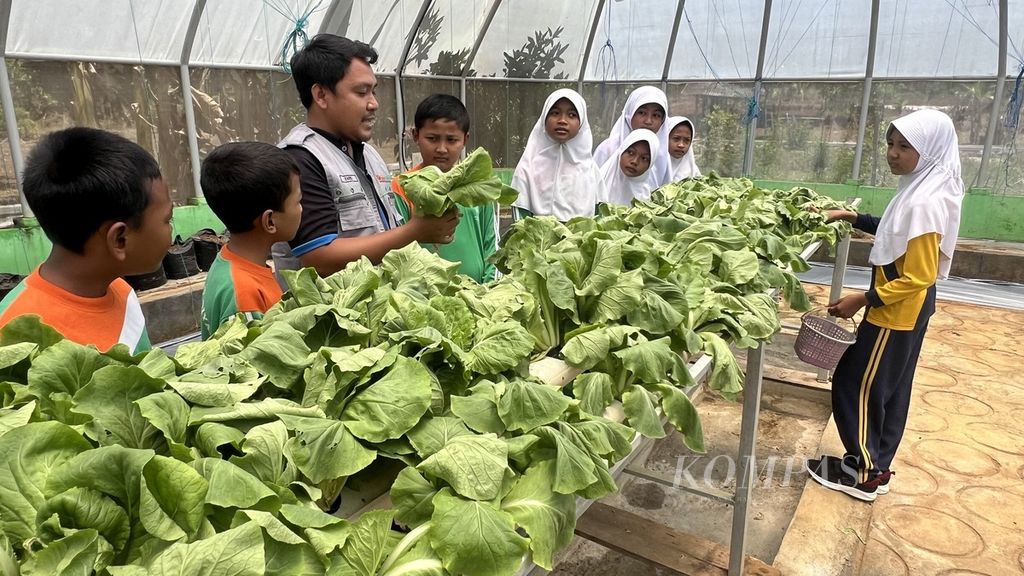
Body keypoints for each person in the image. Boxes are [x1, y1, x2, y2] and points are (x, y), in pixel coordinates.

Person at [806, 109, 964, 502]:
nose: (893, 154)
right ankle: (878, 466)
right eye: (891, 144)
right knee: (893, 388)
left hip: (896, 311)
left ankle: (860, 473)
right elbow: (897, 230)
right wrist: (853, 216)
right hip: (912, 309)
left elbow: (919, 275)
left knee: (854, 383)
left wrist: (864, 298)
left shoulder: (924, 203)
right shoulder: (924, 189)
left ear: (928, 152)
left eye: (904, 147)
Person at [273, 34, 459, 278]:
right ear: (321, 96)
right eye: (362, 93)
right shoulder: (300, 159)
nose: (374, 104)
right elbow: (318, 257)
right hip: (332, 314)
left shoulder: (369, 154)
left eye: (374, 92)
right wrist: (415, 231)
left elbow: (384, 230)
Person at [0, 127, 172, 353]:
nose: (170, 230)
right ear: (119, 239)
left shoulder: (121, 292)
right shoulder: (13, 339)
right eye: (168, 219)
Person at [199, 142, 303, 338]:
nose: (301, 209)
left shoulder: (228, 260)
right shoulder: (245, 298)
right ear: (270, 221)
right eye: (298, 202)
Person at [391, 94, 497, 283]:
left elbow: (491, 247)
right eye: (432, 138)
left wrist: (489, 288)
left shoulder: (478, 185)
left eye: (451, 140)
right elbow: (397, 250)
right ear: (416, 135)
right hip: (424, 296)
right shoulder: (402, 187)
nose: (441, 148)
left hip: (478, 296)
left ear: (465, 140)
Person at [511, 88, 606, 222]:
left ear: (582, 123)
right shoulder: (528, 167)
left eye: (572, 115)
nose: (562, 120)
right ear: (544, 118)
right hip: (538, 240)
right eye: (555, 113)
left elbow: (600, 216)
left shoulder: (590, 171)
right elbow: (519, 215)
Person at [593, 86, 672, 185]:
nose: (648, 121)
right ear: (630, 113)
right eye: (642, 113)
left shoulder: (661, 155)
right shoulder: (607, 149)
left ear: (663, 121)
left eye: (656, 115)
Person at [599, 129, 661, 206]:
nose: (635, 161)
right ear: (622, 152)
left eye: (644, 158)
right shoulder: (597, 184)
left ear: (650, 165)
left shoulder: (650, 202)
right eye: (631, 153)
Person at [665, 116, 702, 181]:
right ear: (665, 138)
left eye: (687, 140)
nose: (681, 145)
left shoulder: (693, 172)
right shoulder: (654, 169)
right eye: (676, 138)